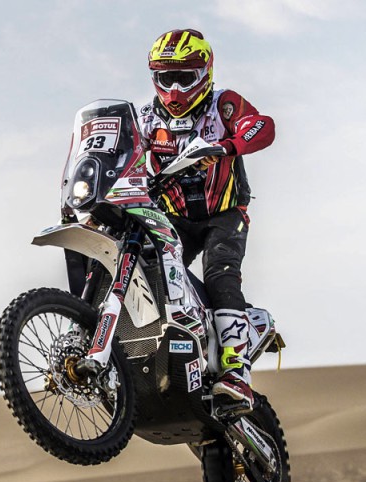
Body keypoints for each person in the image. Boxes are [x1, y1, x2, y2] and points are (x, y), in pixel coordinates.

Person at [140, 28, 275, 411]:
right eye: (167, 77)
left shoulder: (223, 105)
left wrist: (228, 145)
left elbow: (262, 125)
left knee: (219, 274)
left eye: (185, 77)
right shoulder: (146, 118)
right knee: (150, 274)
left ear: (205, 73)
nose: (175, 88)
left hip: (225, 213)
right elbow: (123, 156)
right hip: (175, 217)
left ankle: (236, 372)